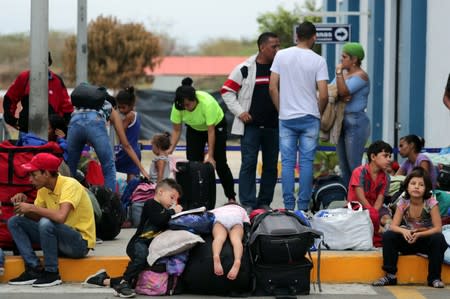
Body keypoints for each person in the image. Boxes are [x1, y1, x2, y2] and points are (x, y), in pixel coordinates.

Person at [82, 178, 183, 298]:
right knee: (141, 258)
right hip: (138, 244)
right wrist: (172, 211)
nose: (173, 202)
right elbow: (158, 219)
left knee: (140, 276)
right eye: (172, 197)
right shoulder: (151, 204)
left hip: (149, 246)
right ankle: (123, 285)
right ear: (160, 192)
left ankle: (102, 279)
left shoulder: (164, 211)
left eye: (176, 200)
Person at [7, 153, 96, 287]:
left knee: (46, 222)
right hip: (58, 240)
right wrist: (23, 207)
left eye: (33, 174)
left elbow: (60, 217)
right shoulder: (43, 190)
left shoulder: (69, 184)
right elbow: (38, 218)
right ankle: (33, 269)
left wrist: (32, 207)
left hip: (79, 244)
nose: (30, 179)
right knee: (15, 221)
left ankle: (52, 273)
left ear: (46, 173)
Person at [269, 21, 329, 211]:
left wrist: (281, 109)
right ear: (314, 37)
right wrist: (318, 112)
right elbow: (324, 94)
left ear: (296, 36)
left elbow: (272, 87)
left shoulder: (281, 55)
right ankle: (303, 208)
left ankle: (288, 207)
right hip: (310, 117)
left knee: (287, 163)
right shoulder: (318, 60)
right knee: (306, 163)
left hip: (286, 118)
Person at [221, 32, 280, 213]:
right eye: (274, 47)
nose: (277, 50)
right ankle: (247, 204)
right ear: (262, 47)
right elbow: (226, 91)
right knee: (249, 164)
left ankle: (264, 203)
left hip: (274, 126)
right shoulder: (244, 68)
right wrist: (240, 112)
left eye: (279, 46)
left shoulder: (281, 68)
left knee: (270, 166)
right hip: (251, 127)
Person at [373, 167, 447, 288]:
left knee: (438, 238)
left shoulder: (431, 203)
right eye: (413, 183)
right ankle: (390, 275)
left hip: (424, 241)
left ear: (426, 188)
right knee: (388, 236)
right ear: (407, 186)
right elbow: (393, 226)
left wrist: (419, 234)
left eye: (421, 185)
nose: (416, 187)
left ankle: (434, 278)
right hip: (407, 239)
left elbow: (438, 228)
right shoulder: (403, 202)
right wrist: (404, 231)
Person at [67, 84, 149, 192]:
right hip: (95, 123)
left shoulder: (81, 106)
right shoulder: (111, 109)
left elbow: (83, 129)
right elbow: (125, 144)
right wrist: (142, 169)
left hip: (74, 123)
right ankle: (109, 203)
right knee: (109, 168)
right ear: (114, 106)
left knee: (70, 168)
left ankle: (65, 197)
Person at [168, 77, 236, 202]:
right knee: (194, 165)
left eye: (188, 104)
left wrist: (210, 155)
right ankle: (196, 199)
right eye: (183, 106)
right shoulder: (178, 107)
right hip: (195, 128)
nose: (186, 108)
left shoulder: (206, 104)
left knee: (220, 163)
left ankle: (231, 197)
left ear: (194, 100)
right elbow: (177, 130)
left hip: (216, 126)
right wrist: (170, 149)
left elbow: (211, 131)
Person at [2, 51, 73, 133]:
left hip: (51, 134)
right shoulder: (24, 78)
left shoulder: (57, 81)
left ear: (48, 62)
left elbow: (67, 109)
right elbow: (10, 99)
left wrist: (62, 128)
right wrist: (12, 120)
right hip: (27, 131)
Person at [332, 42, 370, 187]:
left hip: (355, 121)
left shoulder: (361, 76)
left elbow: (342, 92)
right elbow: (333, 90)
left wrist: (342, 89)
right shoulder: (345, 75)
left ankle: (361, 197)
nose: (341, 59)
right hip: (341, 120)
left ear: (354, 59)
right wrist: (341, 92)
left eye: (345, 56)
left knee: (354, 164)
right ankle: (350, 199)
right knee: (343, 164)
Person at [347, 140, 393, 247]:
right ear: (373, 157)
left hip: (375, 208)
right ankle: (378, 232)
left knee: (388, 219)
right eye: (385, 156)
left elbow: (380, 199)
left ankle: (382, 233)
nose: (389, 159)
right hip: (357, 206)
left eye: (390, 156)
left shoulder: (386, 177)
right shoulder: (359, 172)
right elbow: (360, 196)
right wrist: (371, 213)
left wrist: (374, 213)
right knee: (365, 217)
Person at [210, 203, 250, 280]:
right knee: (237, 241)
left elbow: (208, 215)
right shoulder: (241, 209)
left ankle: (216, 255)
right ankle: (237, 261)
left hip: (220, 219)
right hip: (236, 219)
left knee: (219, 238)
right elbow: (247, 222)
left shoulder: (218, 209)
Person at [114, 86, 142, 182]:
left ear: (131, 105)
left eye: (123, 107)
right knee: (131, 180)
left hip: (127, 152)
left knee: (108, 167)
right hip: (135, 150)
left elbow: (120, 130)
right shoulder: (136, 115)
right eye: (119, 107)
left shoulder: (129, 116)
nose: (121, 110)